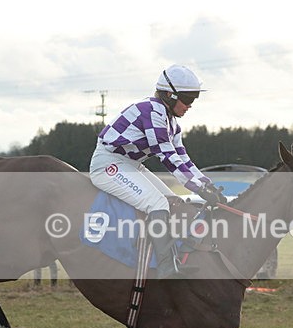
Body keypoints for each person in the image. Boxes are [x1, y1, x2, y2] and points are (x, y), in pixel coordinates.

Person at [89, 64, 224, 278]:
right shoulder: (151, 111)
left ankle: (171, 260)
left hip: (131, 165)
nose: (190, 106)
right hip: (108, 165)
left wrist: (207, 184)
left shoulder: (171, 123)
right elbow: (168, 157)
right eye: (188, 99)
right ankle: (166, 269)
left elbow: (183, 158)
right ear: (170, 95)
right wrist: (198, 189)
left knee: (172, 200)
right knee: (158, 204)